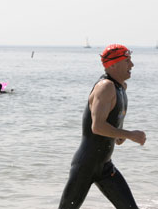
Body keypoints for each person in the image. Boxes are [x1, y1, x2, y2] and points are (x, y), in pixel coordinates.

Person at [58, 44, 147, 209]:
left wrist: (120, 136)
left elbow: (112, 129)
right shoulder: (105, 87)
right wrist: (130, 134)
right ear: (113, 64)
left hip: (105, 166)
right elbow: (97, 127)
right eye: (127, 61)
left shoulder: (121, 88)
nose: (132, 65)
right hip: (86, 165)